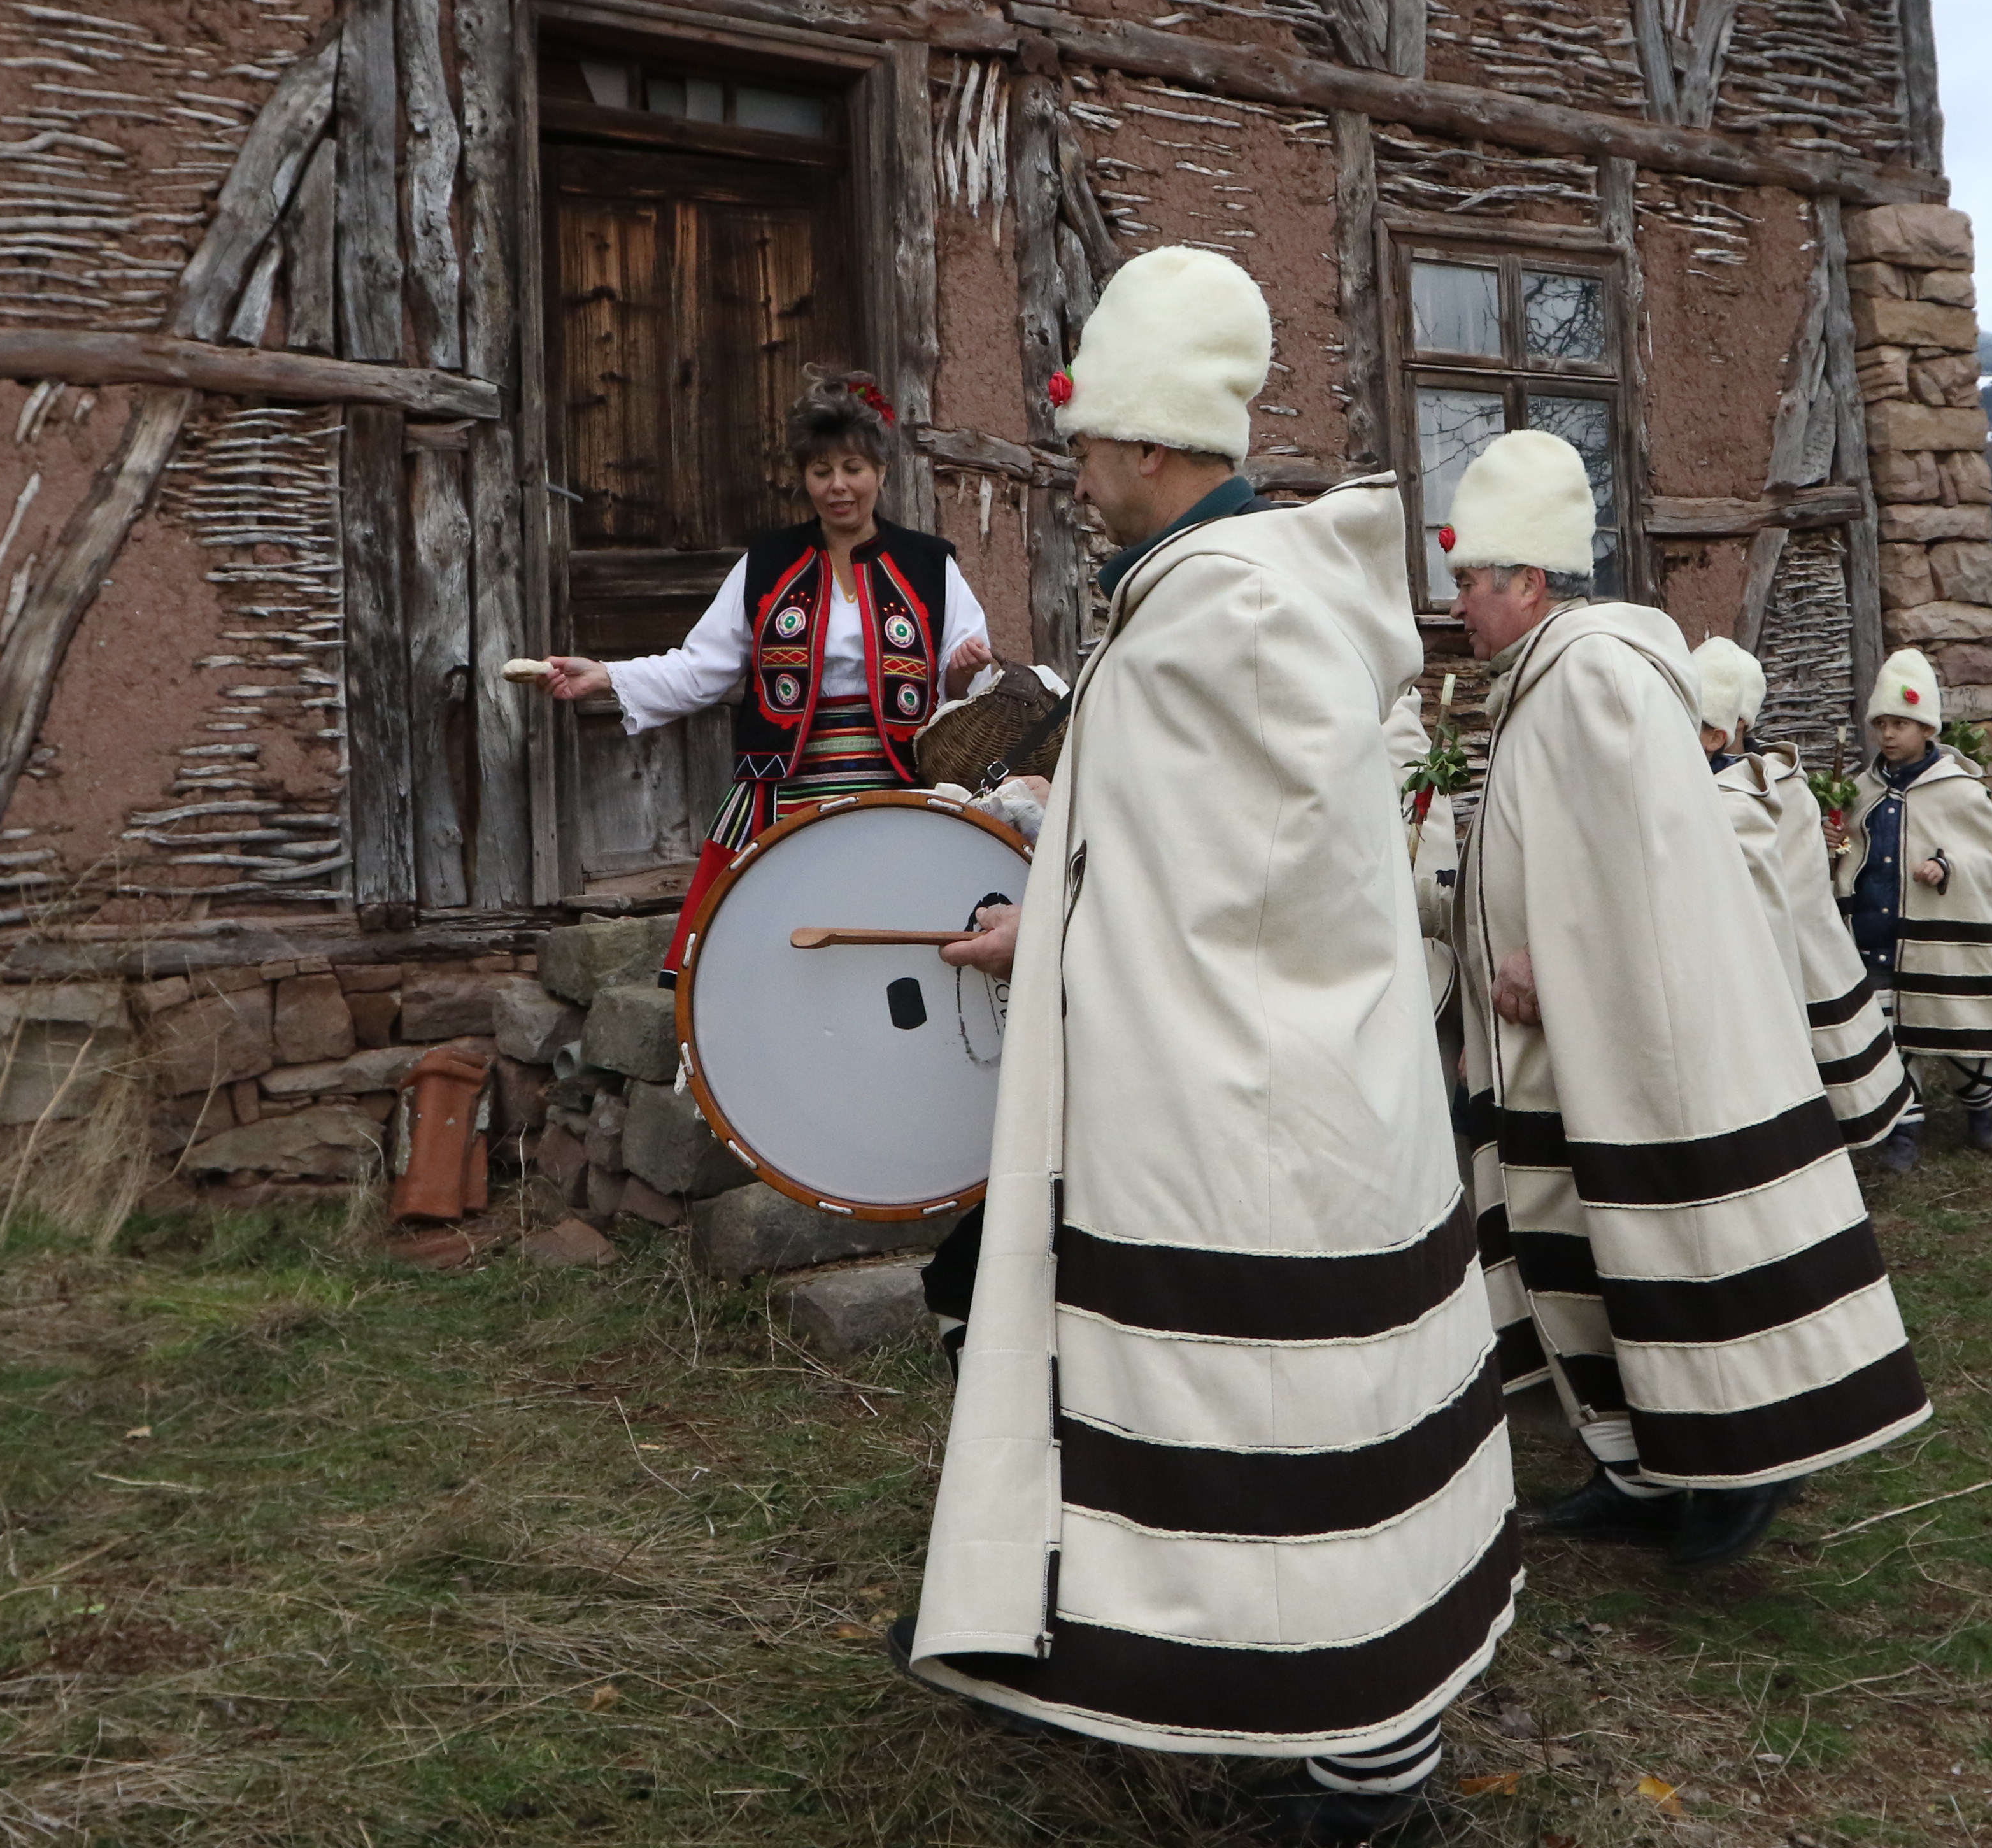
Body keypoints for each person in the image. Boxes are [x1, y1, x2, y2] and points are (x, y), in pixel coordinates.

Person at [900, 248, 1513, 1847]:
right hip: (1278, 1075)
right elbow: (1203, 853)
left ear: (1154, 444)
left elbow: (1249, 882)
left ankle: (1369, 1762)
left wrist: (1057, 922)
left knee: (1288, 1411)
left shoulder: (1227, 613)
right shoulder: (1225, 600)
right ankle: (1327, 1713)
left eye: (1092, 446)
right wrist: (1052, 909)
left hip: (1258, 1097)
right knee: (1285, 1411)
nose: (1080, 477)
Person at [1447, 431, 1930, 1575]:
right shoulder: (1542, 678)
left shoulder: (1598, 675)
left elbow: (1647, 864)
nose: (1455, 599)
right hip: (1565, 1043)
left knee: (1681, 1243)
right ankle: (1641, 1467)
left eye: (1469, 577)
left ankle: (1744, 1460)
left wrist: (1546, 958)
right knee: (1589, 1249)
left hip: (1632, 1040)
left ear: (1525, 578)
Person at [525, 378, 992, 984]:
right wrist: (607, 676)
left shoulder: (931, 564)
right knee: (779, 947)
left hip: (897, 781)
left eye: (853, 467)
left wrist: (961, 672)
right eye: (821, 471)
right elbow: (702, 668)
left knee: (894, 941)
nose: (838, 486)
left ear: (881, 469)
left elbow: (968, 675)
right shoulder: (768, 564)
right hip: (786, 787)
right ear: (804, 477)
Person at [1689, 636, 1909, 1152]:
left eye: (1695, 723)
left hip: (1782, 950)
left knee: (1796, 1059)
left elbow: (1797, 882)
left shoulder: (1780, 789)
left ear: (1727, 730)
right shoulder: (1696, 785)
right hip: (1722, 956)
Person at [1837, 650, 1992, 1152]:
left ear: (1926, 727)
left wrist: (1947, 865)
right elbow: (1851, 852)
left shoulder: (1960, 792)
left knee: (1955, 1031)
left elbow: (1989, 858)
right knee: (1888, 1039)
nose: (1888, 734)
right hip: (1878, 937)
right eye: (1881, 723)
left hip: (1938, 939)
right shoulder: (1861, 791)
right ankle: (1903, 1128)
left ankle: (1982, 1101)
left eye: (1900, 723)